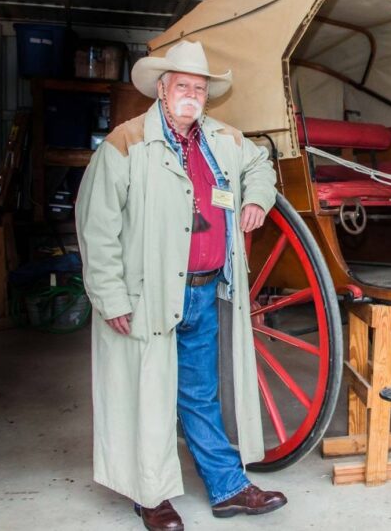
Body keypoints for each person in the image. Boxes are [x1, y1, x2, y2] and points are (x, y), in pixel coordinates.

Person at [76, 40, 285, 531]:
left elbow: (260, 165)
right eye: (182, 86)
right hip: (146, 295)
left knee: (199, 393)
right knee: (148, 393)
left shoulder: (224, 139)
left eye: (199, 87)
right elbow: (97, 228)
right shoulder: (125, 144)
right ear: (162, 91)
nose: (191, 94)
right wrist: (110, 297)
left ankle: (228, 488)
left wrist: (256, 196)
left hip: (204, 290)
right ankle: (151, 495)